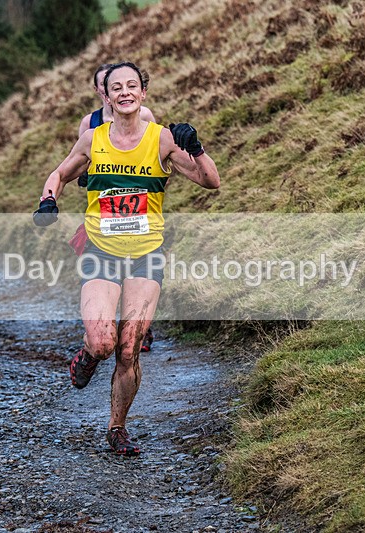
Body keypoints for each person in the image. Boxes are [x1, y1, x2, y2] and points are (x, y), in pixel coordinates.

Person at [33, 62, 220, 456]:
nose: (124, 92)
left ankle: (117, 427)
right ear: (107, 95)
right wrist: (48, 199)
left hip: (145, 253)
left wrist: (196, 147)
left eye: (131, 86)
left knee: (129, 347)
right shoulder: (92, 139)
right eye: (116, 87)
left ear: (143, 93)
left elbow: (210, 181)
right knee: (103, 342)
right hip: (100, 251)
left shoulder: (163, 139)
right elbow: (60, 173)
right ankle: (87, 355)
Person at [77, 63, 157, 352]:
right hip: (104, 210)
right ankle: (100, 328)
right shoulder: (90, 123)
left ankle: (139, 330)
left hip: (141, 212)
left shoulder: (144, 116)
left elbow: (153, 153)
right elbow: (78, 160)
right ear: (101, 90)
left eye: (129, 85)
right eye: (106, 84)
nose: (118, 90)